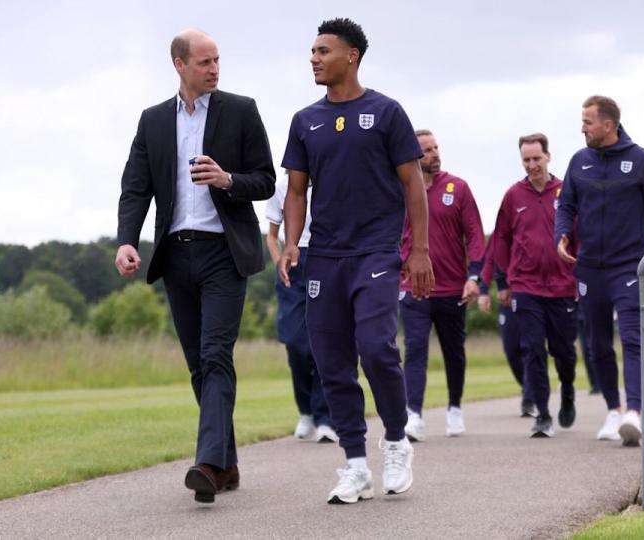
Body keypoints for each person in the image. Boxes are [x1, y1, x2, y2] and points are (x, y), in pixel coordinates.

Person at [114, 28, 275, 503]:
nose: (214, 69)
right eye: (204, 62)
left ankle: (206, 463)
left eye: (218, 61)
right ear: (179, 65)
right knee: (197, 367)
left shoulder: (241, 111)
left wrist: (227, 180)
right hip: (175, 254)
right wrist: (126, 240)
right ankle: (227, 464)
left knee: (214, 356)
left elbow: (266, 179)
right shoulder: (153, 121)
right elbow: (135, 187)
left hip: (225, 253)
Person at [278, 18, 434, 504]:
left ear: (352, 55)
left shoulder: (386, 113)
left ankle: (395, 440)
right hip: (324, 256)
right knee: (332, 363)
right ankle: (353, 464)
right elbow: (298, 189)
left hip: (376, 251)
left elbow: (413, 183)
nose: (314, 58)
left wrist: (420, 250)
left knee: (376, 348)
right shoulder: (306, 121)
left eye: (323, 51)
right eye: (312, 51)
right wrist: (290, 243)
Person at [555, 95, 644, 446]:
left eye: (588, 122)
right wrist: (561, 235)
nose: (582, 128)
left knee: (631, 337)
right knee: (597, 344)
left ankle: (634, 413)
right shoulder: (578, 161)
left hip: (629, 265)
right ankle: (613, 410)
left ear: (608, 125)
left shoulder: (641, 161)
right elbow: (565, 205)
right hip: (588, 269)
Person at [399, 129, 485, 441]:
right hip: (413, 287)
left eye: (436, 147)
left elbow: (475, 234)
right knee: (415, 349)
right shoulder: (401, 190)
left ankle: (454, 408)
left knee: (453, 351)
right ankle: (414, 415)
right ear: (414, 155)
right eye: (427, 150)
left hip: (452, 287)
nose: (435, 153)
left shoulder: (458, 188)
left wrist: (474, 276)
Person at [492, 133, 578, 438]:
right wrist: (503, 281)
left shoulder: (567, 192)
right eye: (526, 160)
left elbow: (582, 235)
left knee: (563, 351)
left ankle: (567, 388)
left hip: (563, 285)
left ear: (548, 157)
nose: (532, 165)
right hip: (525, 285)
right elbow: (500, 239)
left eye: (536, 159)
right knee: (532, 350)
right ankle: (542, 413)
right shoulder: (513, 196)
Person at [265, 173, 337, 443]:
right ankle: (305, 410)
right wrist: (279, 262)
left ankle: (324, 418)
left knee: (323, 343)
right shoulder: (281, 187)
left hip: (324, 259)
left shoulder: (328, 181)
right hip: (292, 266)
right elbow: (272, 236)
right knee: (296, 344)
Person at [478, 249, 535, 417]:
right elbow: (489, 262)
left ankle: (529, 398)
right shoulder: (499, 234)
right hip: (507, 302)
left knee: (530, 349)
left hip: (531, 297)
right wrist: (483, 290)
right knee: (511, 351)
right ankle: (528, 387)